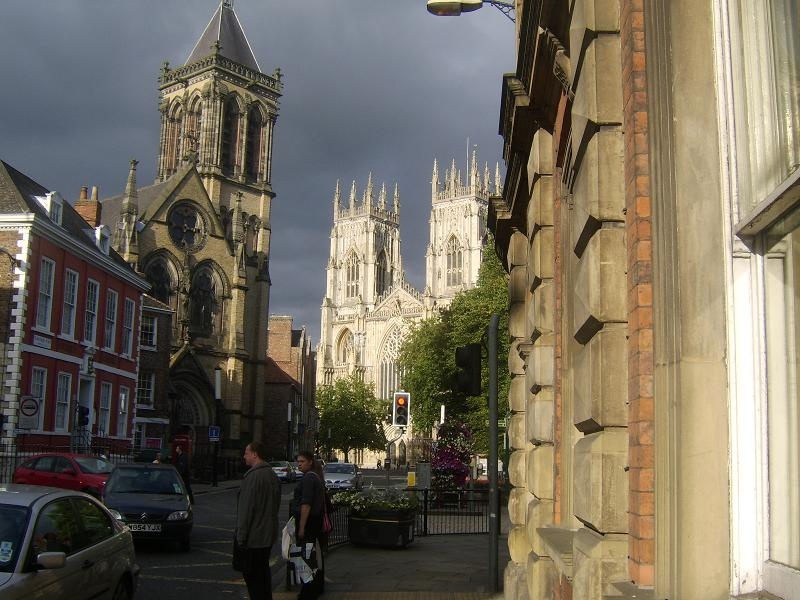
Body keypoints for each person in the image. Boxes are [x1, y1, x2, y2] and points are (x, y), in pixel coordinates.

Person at [236, 441, 281, 600]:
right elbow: (275, 506)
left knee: (253, 581)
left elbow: (245, 512)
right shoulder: (272, 475)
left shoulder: (252, 477)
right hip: (267, 536)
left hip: (253, 539)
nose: (244, 456)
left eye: (246, 453)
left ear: (255, 454)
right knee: (263, 578)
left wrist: (241, 538)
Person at [291, 450, 326, 599]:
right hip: (316, 523)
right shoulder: (316, 477)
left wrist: (301, 528)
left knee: (306, 558)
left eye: (302, 461)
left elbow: (306, 505)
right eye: (298, 461)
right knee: (313, 556)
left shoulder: (308, 479)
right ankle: (316, 587)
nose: (299, 464)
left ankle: (308, 592)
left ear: (310, 462)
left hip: (309, 524)